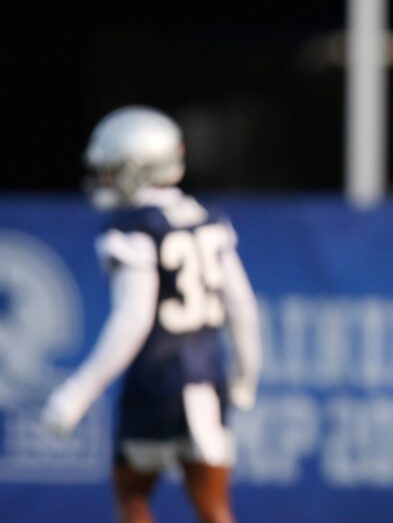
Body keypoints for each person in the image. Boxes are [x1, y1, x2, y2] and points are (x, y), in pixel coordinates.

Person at [41, 106, 261, 523]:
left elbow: (133, 318)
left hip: (155, 382)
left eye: (112, 168)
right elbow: (243, 306)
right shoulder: (206, 217)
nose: (104, 178)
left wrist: (78, 392)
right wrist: (245, 377)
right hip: (206, 381)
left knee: (132, 497)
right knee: (214, 507)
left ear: (139, 168)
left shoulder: (135, 227)